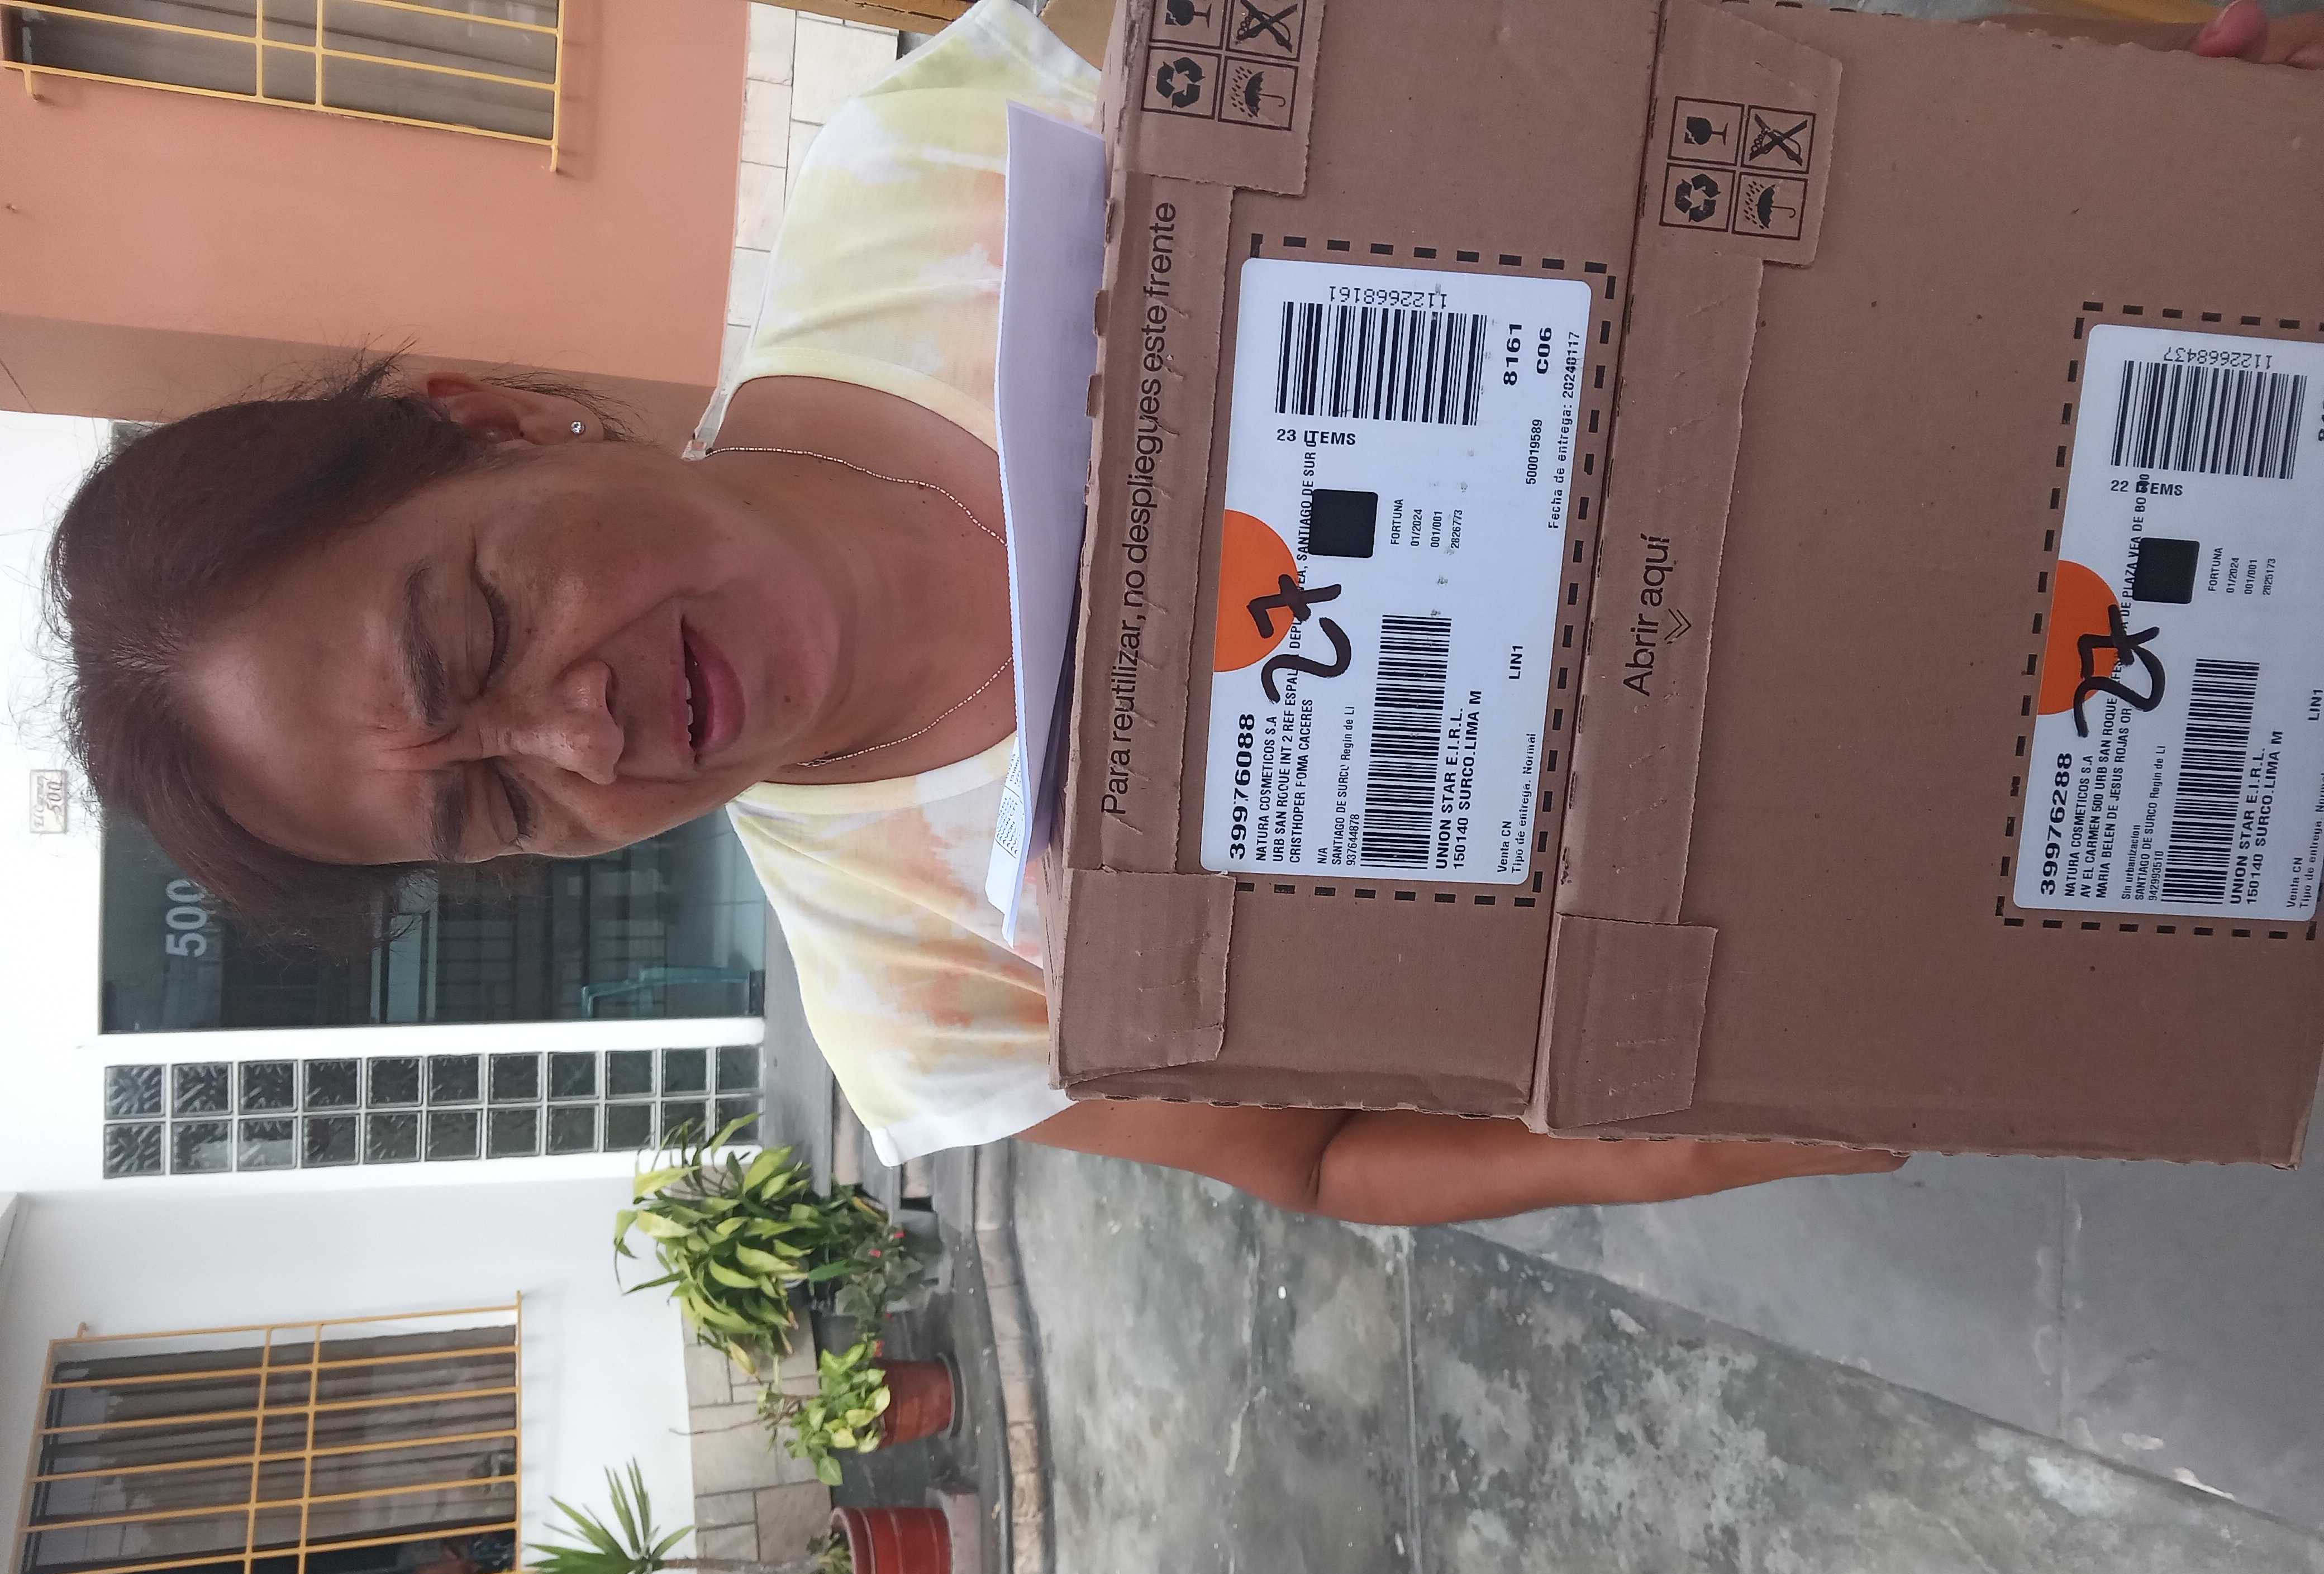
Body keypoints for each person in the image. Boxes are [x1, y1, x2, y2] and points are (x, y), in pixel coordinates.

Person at [44, 0, 2311, 1226]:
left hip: (2146, 391)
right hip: (2114, 824)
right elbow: (1315, 1158)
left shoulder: (953, 159)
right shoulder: (908, 991)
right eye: (492, 813)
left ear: (489, 419)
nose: (580, 739)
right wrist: (1721, 1119)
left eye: (472, 642)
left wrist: (2101, 118)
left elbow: (1662, 82)